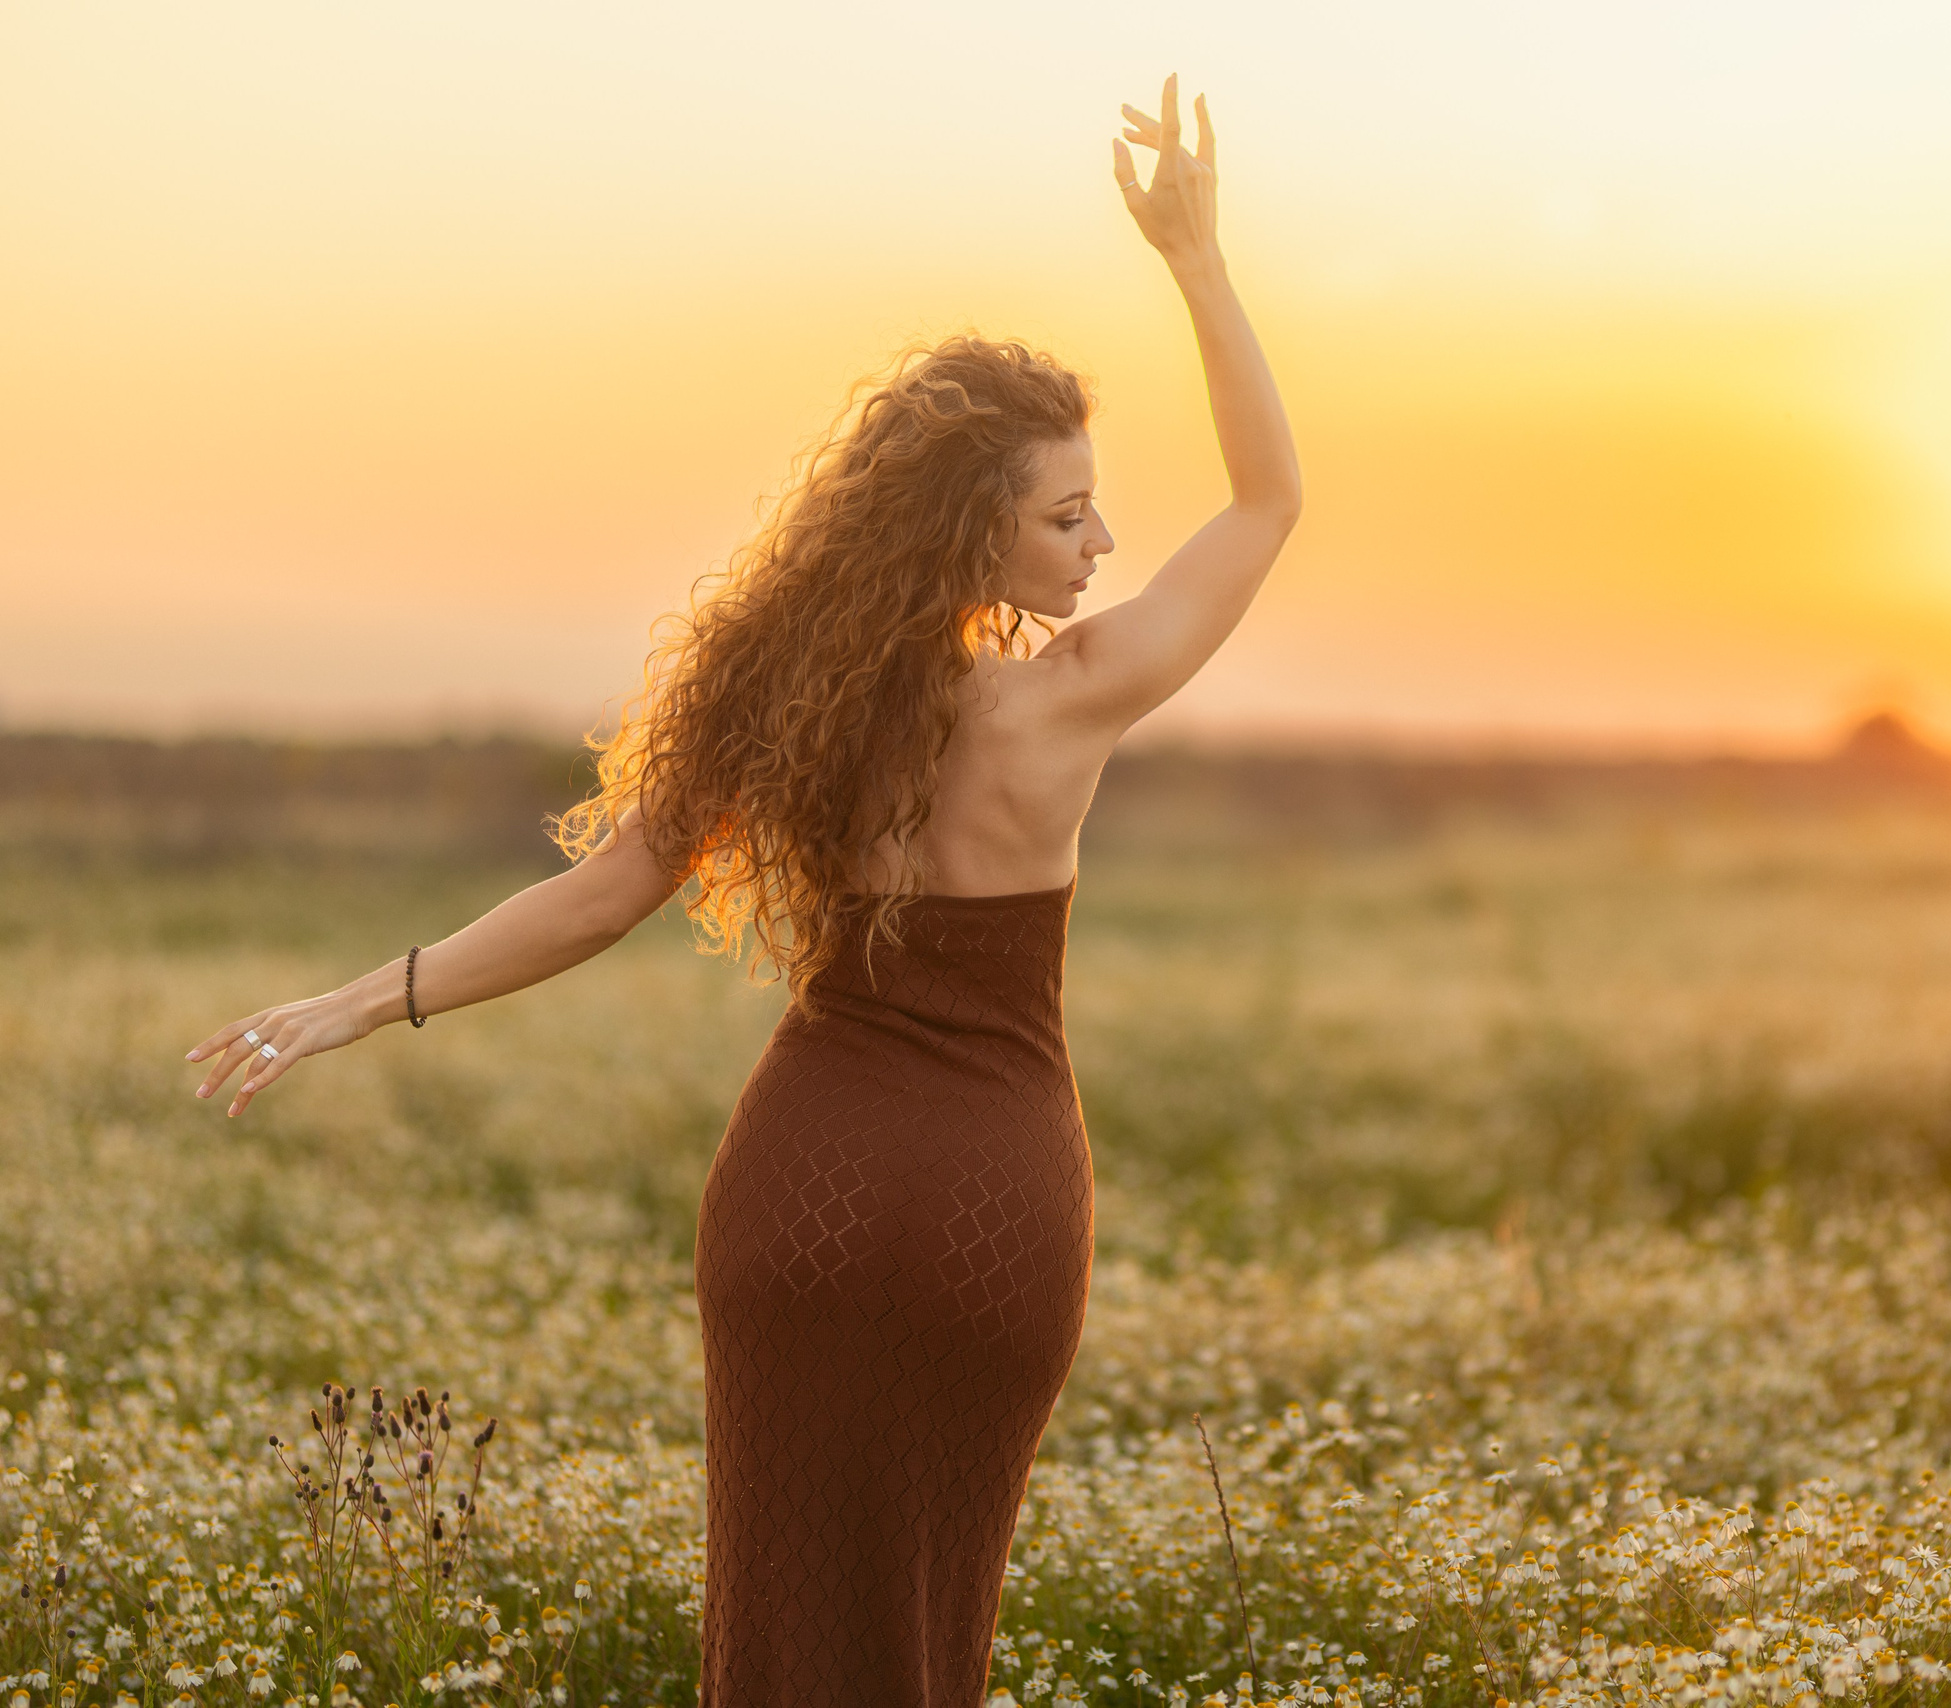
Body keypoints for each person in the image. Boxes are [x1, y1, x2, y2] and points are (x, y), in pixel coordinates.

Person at [185, 75, 1297, 1707]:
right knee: (932, 1636)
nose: (1104, 541)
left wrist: (365, 997)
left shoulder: (790, 699)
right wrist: (1200, 260)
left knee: (776, 1629)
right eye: (1068, 514)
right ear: (969, 534)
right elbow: (1268, 501)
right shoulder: (1072, 696)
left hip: (804, 1196)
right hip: (996, 1204)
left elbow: (604, 892)